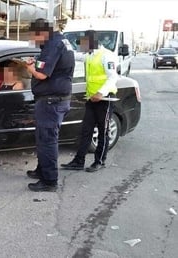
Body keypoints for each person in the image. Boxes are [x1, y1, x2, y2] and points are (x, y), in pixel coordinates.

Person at [24, 18, 75, 192]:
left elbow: (42, 75)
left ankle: (50, 181)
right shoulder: (59, 42)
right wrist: (35, 64)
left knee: (47, 141)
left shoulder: (54, 44)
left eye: (34, 36)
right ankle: (42, 170)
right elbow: (47, 67)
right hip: (53, 100)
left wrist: (28, 67)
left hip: (51, 102)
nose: (34, 40)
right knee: (43, 139)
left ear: (42, 32)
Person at [61, 30, 118, 173]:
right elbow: (74, 55)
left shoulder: (107, 56)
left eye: (83, 43)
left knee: (103, 132)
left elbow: (113, 77)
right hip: (91, 99)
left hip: (105, 99)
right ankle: (79, 161)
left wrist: (100, 93)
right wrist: (62, 44)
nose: (81, 46)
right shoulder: (90, 55)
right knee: (85, 131)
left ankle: (99, 161)